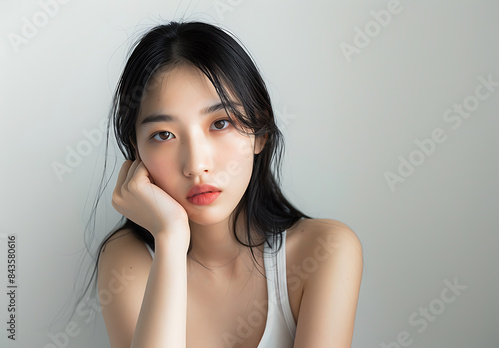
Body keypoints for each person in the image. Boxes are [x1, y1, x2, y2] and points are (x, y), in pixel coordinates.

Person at [94, 21, 363, 347]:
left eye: (220, 123)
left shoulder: (323, 251)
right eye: (163, 135)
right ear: (136, 153)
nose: (196, 166)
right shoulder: (129, 260)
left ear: (260, 133)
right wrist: (170, 239)